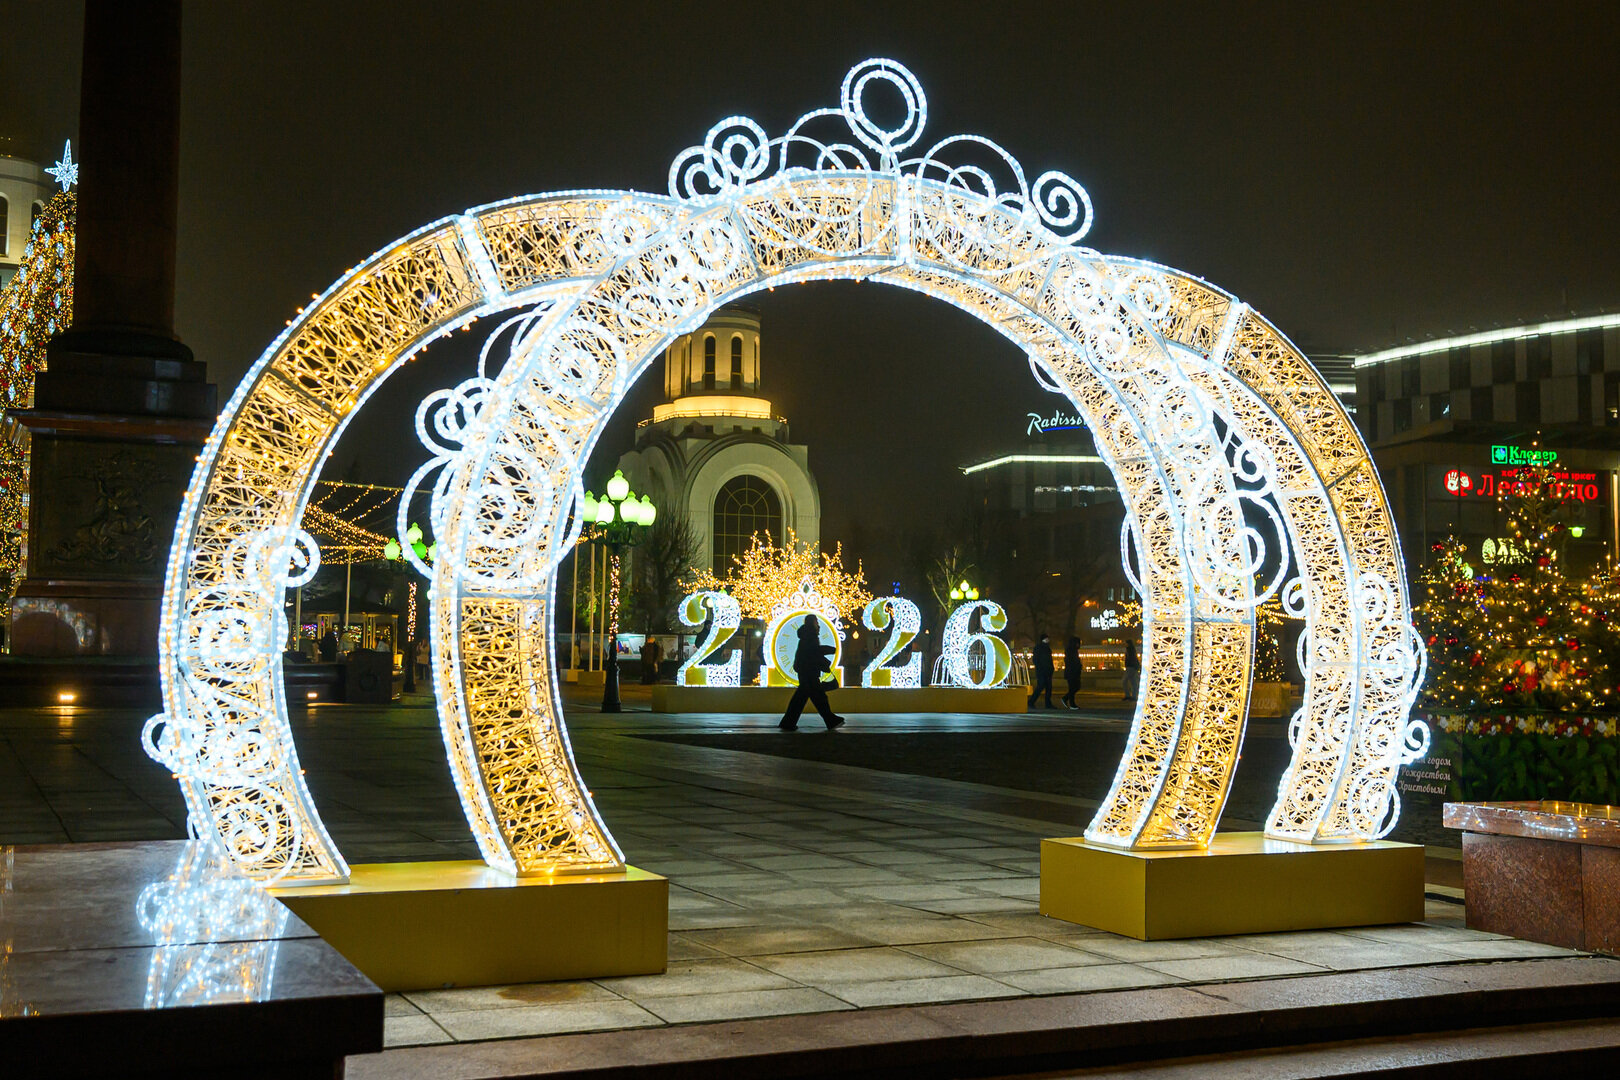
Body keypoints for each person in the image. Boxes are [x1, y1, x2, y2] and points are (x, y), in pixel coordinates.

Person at [779, 615, 845, 731]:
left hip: (806, 671)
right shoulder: (810, 636)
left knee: (802, 699)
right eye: (816, 622)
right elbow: (814, 652)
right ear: (813, 623)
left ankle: (788, 722)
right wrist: (829, 651)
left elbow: (812, 652)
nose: (818, 626)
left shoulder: (806, 635)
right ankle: (830, 720)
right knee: (818, 698)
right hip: (809, 672)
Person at [1028, 632, 1055, 708]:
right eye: (1047, 638)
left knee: (1043, 687)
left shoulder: (1040, 647)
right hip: (1044, 671)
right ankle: (1045, 703)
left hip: (1043, 671)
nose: (1048, 640)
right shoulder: (1045, 648)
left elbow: (1036, 660)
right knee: (1045, 687)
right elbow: (1046, 660)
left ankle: (1032, 702)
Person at [1061, 636, 1083, 709]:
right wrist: (1078, 666)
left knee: (1074, 687)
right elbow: (1072, 662)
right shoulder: (1072, 651)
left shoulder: (1071, 650)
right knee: (1074, 687)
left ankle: (1066, 699)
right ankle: (1071, 704)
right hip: (1072, 672)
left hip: (1072, 672)